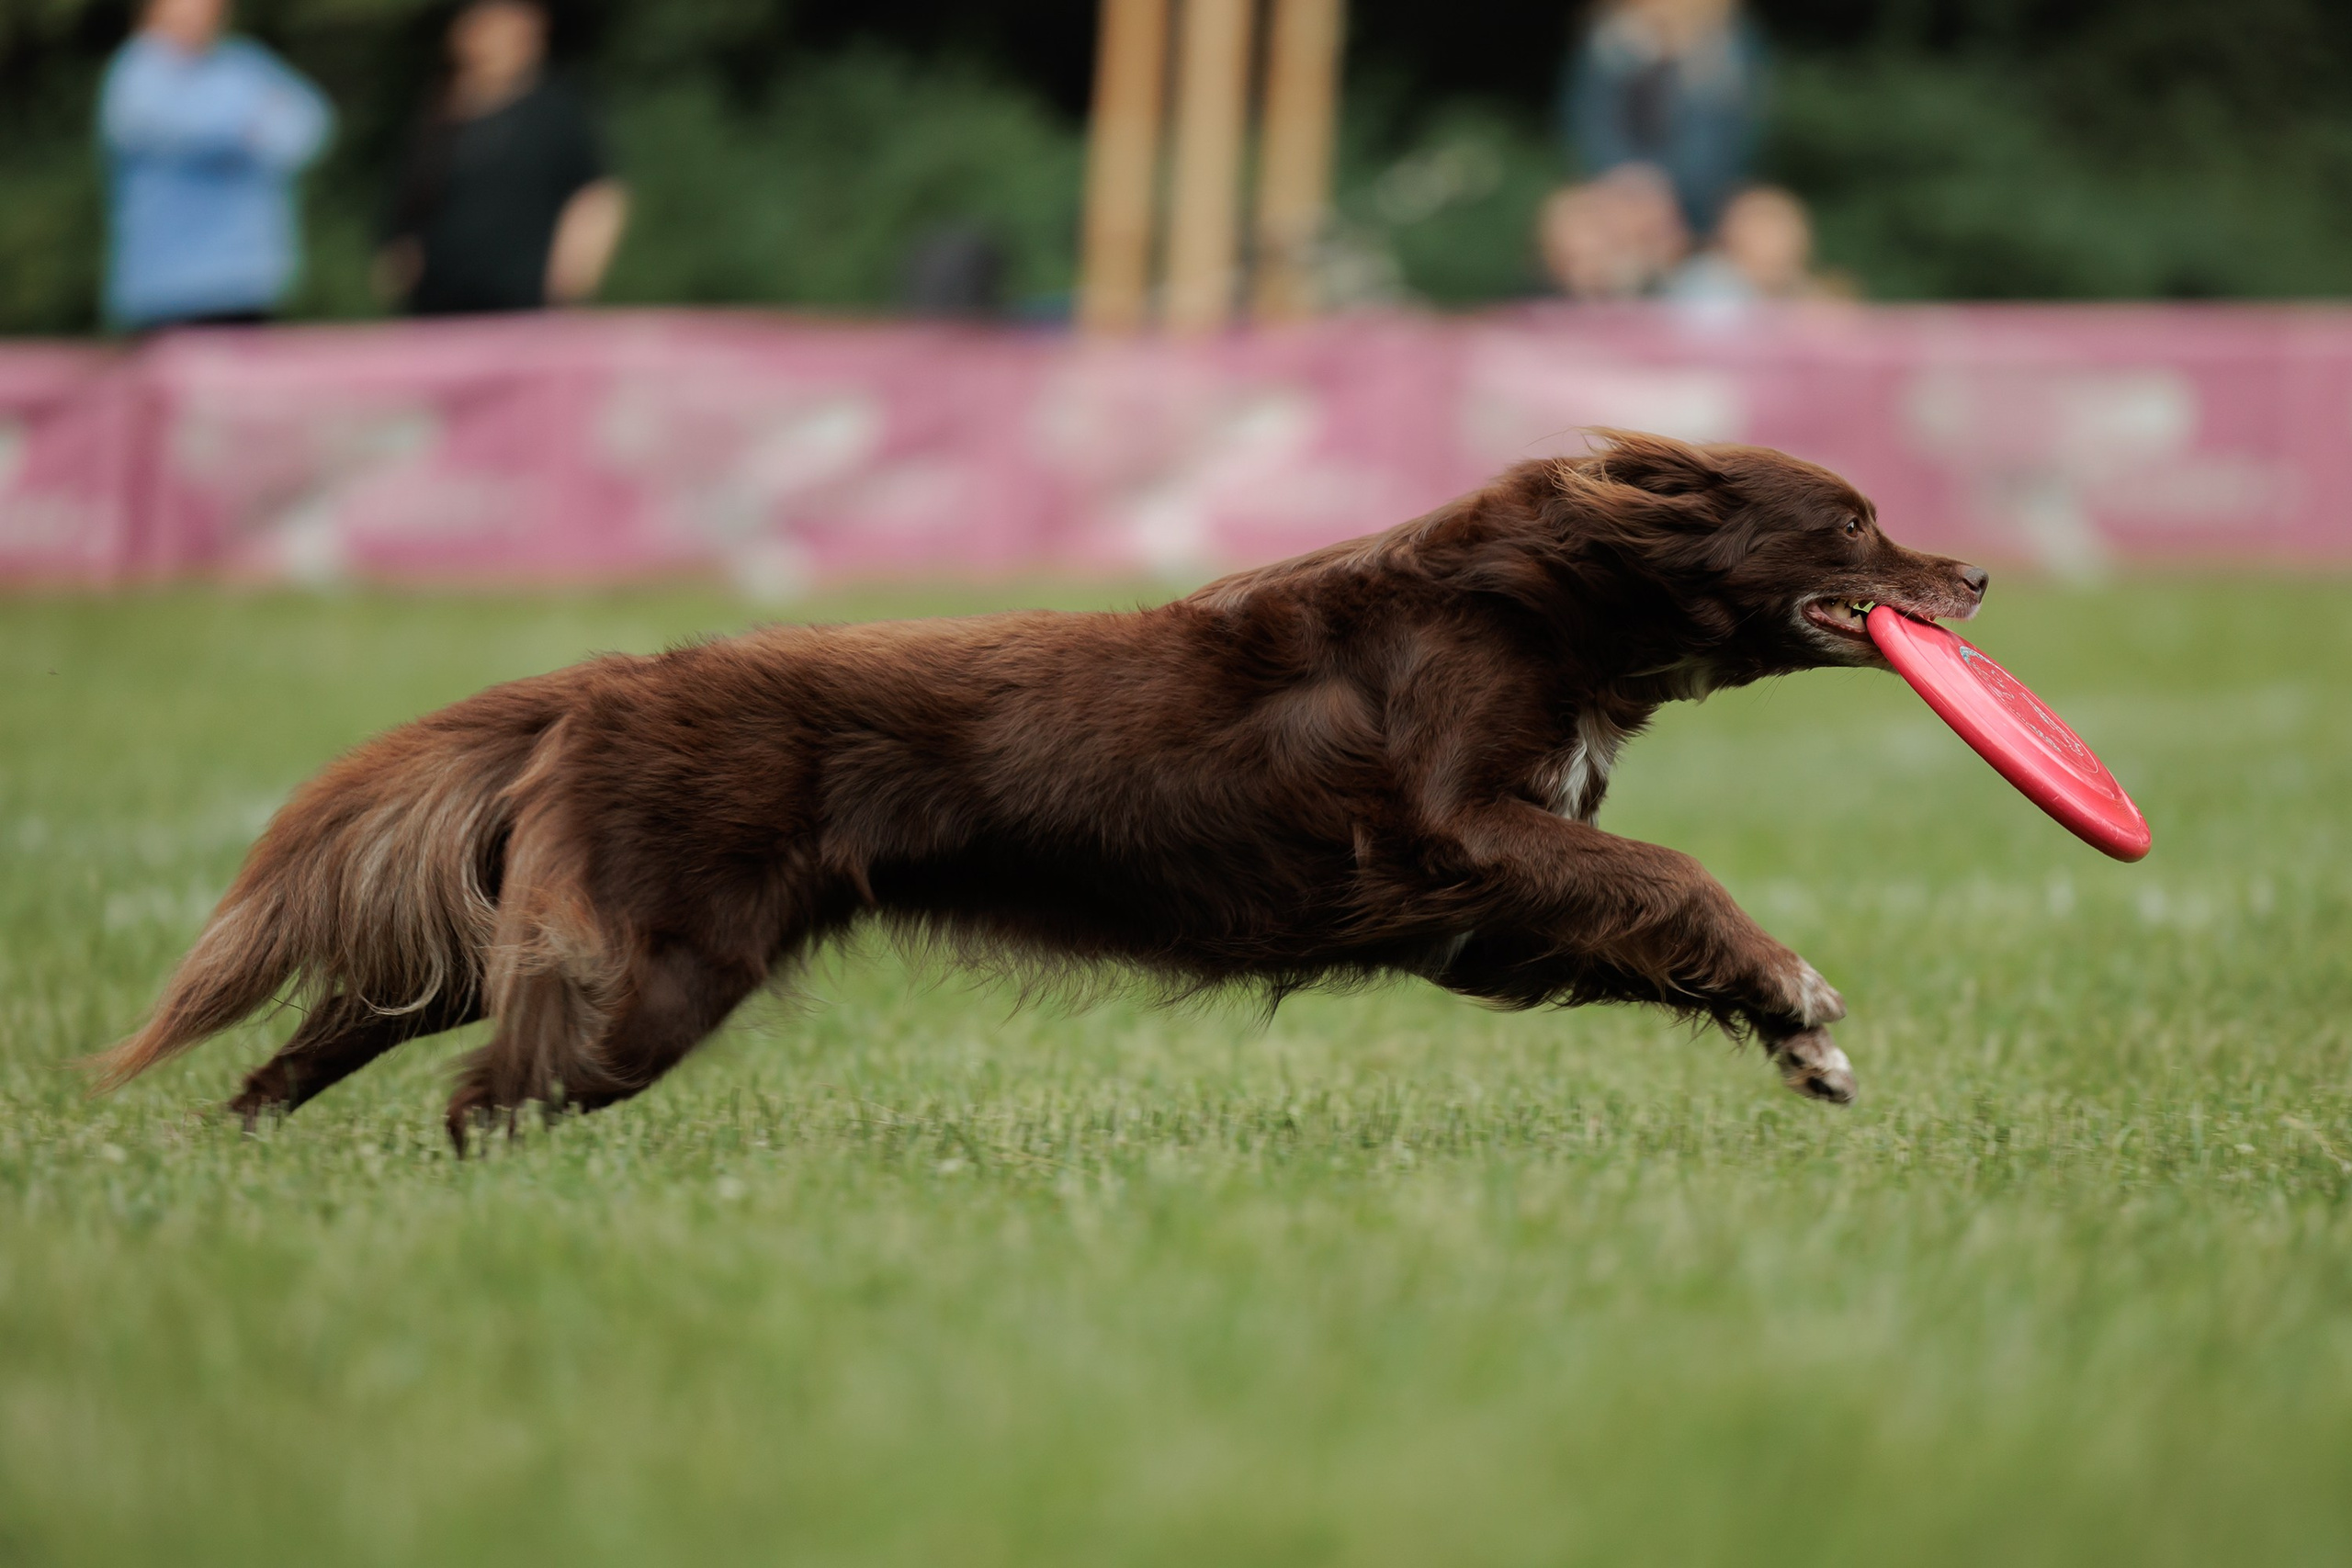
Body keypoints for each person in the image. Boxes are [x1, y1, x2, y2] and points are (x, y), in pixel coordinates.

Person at [377, 0, 628, 316]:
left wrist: (575, 272)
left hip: (527, 303)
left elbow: (596, 194)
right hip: (439, 303)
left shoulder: (555, 112)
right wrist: (398, 251)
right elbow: (409, 200)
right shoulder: (439, 113)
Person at [97, 0, 333, 331]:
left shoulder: (245, 63)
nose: (199, 13)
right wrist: (248, 125)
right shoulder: (136, 72)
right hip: (166, 290)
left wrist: (243, 130)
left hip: (249, 283)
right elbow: (179, 129)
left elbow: (309, 126)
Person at [1560, 0, 1763, 241]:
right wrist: (1629, 186)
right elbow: (1591, 126)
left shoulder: (1726, 50)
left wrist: (1666, 192)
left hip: (1703, 205)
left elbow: (1724, 143)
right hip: (1611, 196)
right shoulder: (1609, 43)